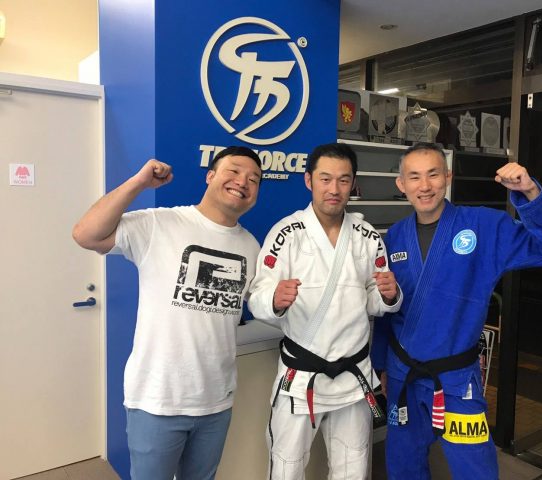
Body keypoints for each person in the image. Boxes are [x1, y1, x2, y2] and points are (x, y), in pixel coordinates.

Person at [371, 142, 542, 480]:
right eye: (414, 177)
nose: (425, 186)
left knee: (475, 469)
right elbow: (385, 310)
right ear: (401, 184)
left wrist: (530, 193)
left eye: (433, 174)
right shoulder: (394, 238)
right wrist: (381, 366)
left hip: (457, 378)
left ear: (447, 177)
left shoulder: (482, 226)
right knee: (403, 465)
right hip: (403, 375)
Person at [72, 146, 263, 480]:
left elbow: (256, 303)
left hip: (216, 401)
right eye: (233, 171)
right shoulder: (161, 223)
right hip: (157, 399)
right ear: (211, 176)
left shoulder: (250, 245)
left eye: (254, 179)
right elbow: (86, 234)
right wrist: (138, 183)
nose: (242, 182)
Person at [247, 143, 402, 480]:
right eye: (325, 179)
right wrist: (274, 299)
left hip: (353, 375)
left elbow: (374, 298)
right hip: (301, 376)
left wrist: (388, 296)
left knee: (353, 469)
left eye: (343, 180)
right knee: (286, 468)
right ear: (309, 181)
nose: (334, 189)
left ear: (353, 184)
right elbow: (257, 296)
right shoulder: (286, 233)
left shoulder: (366, 236)